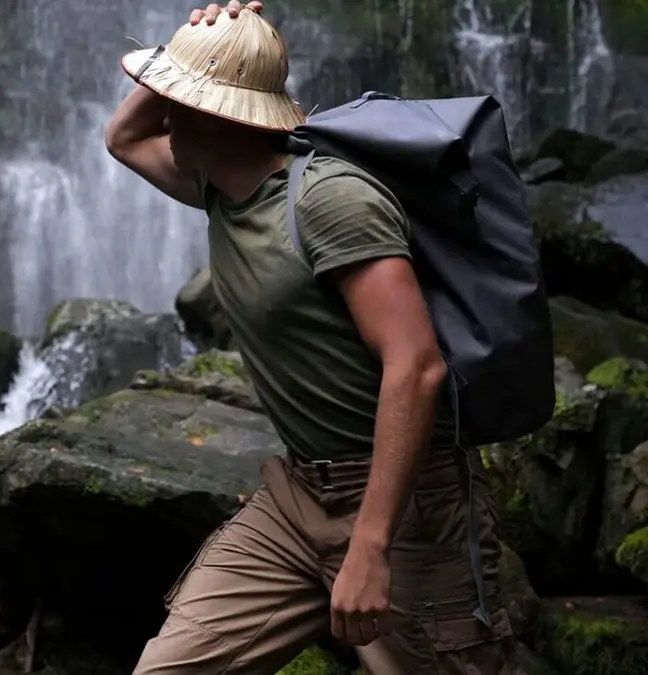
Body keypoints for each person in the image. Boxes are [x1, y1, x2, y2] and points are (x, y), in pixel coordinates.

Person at [105, 3, 516, 674]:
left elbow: (416, 366)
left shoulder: (329, 201)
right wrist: (199, 47)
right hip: (300, 492)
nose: (165, 113)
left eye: (180, 98)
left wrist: (371, 546)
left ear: (218, 115)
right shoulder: (218, 186)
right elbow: (123, 138)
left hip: (407, 505)